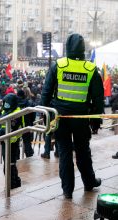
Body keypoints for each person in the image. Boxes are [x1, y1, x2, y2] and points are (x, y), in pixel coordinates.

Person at [41, 33, 104, 199]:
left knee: (64, 153)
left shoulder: (58, 65)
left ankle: (67, 190)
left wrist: (46, 116)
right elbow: (98, 98)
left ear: (67, 48)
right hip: (81, 119)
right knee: (83, 151)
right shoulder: (90, 69)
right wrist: (96, 120)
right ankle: (89, 182)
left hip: (60, 117)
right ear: (83, 49)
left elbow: (46, 92)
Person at [0, 93, 24, 189]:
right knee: (9, 164)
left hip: (12, 142)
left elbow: (9, 128)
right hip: (5, 141)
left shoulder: (16, 114)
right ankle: (14, 182)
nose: (5, 105)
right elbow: (0, 124)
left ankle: (12, 184)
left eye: (7, 103)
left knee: (10, 164)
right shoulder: (6, 111)